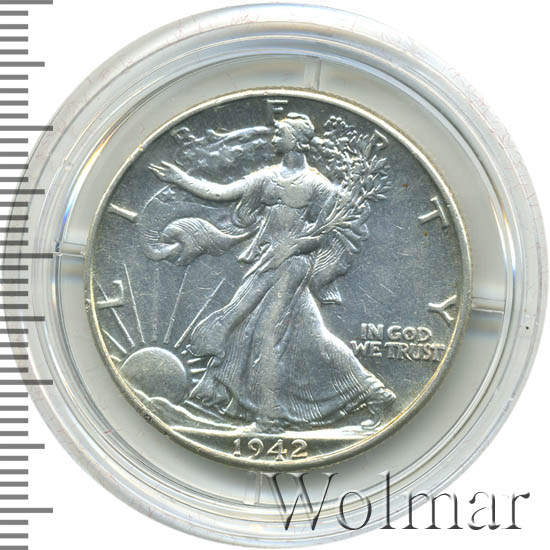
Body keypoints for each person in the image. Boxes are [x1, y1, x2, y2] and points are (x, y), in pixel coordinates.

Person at [149, 113, 395, 432]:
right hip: (266, 262)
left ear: (298, 141)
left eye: (281, 133)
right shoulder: (267, 177)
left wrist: (293, 246)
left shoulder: (318, 186)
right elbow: (222, 193)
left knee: (266, 333)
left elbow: (326, 235)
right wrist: (181, 179)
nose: (275, 137)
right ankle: (375, 393)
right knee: (310, 338)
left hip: (292, 266)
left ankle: (269, 418)